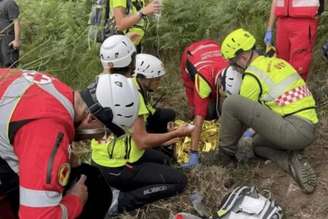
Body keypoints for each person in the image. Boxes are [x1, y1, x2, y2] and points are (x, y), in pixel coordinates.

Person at [0, 68, 140, 218]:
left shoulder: (56, 88)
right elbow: (36, 216)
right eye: (104, 133)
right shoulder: (49, 132)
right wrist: (75, 201)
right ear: (91, 118)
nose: (100, 139)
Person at [91, 53, 193, 216]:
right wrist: (177, 134)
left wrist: (166, 135)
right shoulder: (133, 96)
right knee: (179, 181)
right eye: (157, 79)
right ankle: (119, 201)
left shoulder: (131, 85)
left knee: (166, 161)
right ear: (146, 78)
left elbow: (143, 126)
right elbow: (142, 141)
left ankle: (129, 180)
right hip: (116, 165)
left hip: (124, 151)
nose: (159, 83)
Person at [219, 28, 319, 193]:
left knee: (232, 102)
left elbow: (242, 117)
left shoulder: (252, 76)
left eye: (233, 63)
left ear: (243, 57)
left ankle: (224, 156)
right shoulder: (277, 62)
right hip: (307, 127)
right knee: (257, 145)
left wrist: (230, 136)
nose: (235, 68)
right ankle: (290, 160)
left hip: (293, 130)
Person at [179, 39, 228, 168]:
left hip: (213, 48)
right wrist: (194, 152)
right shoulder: (203, 81)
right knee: (201, 111)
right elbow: (199, 117)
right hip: (191, 56)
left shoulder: (233, 72)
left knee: (225, 106)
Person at [264, 0, 325, 80]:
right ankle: (284, 91)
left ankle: (298, 91)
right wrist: (269, 29)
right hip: (282, 22)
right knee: (280, 65)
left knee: (299, 68)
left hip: (304, 21)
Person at [0, 0, 20, 67]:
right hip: (1, 38)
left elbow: (16, 22)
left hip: (8, 39)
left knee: (9, 66)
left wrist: (16, 40)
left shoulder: (9, 3)